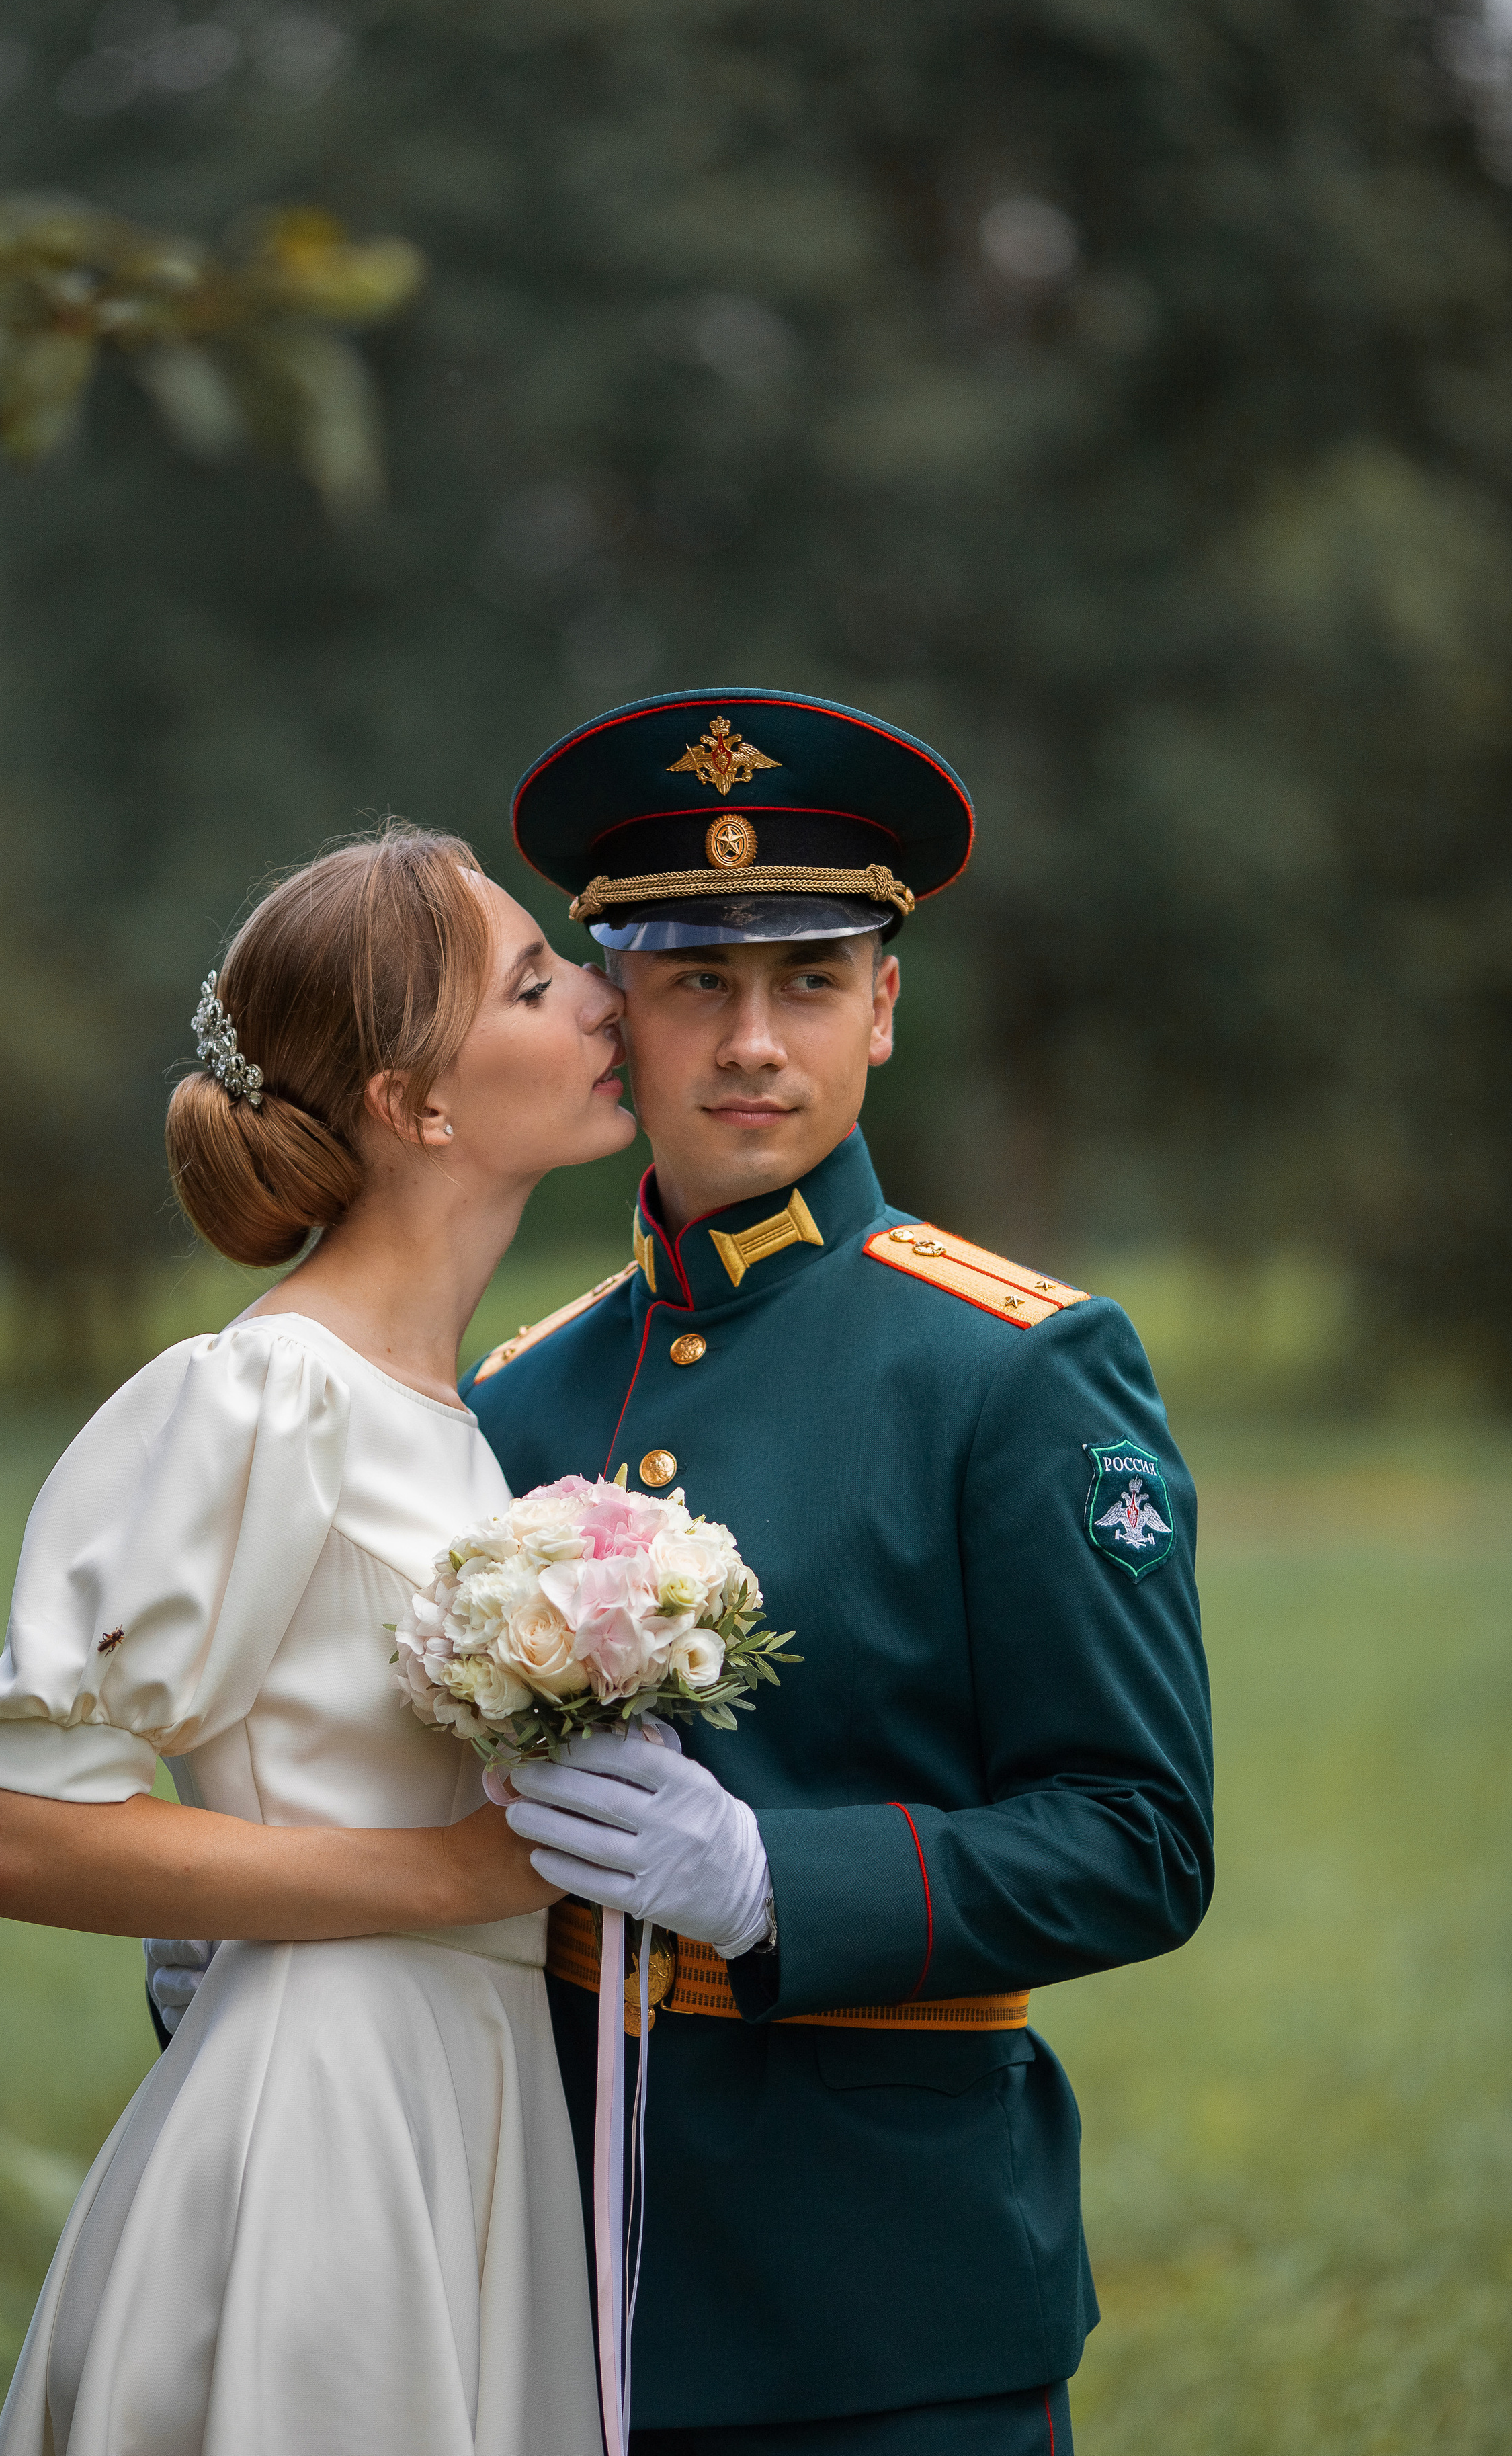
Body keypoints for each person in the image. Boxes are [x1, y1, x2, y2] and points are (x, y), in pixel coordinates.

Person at [471, 688, 1216, 2455]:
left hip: (888, 2309)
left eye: (807, 979)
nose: (751, 1041)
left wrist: (770, 1884)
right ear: (615, 1020)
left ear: (884, 1007)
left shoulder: (1016, 1369)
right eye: (694, 983)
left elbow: (1140, 1837)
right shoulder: (516, 1394)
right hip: (547, 2278)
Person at [0, 827, 636, 2456]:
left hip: (476, 2101)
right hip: (324, 2117)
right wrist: (459, 1876)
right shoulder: (262, 1395)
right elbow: (15, 1834)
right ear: (418, 1105)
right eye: (536, 981)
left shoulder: (458, 1424)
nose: (604, 999)